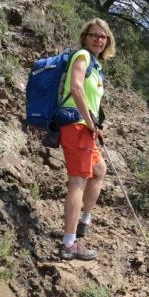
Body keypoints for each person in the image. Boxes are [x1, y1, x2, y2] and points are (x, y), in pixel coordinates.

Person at [58, 18, 116, 260]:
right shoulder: (82, 56)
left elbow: (90, 99)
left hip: (86, 128)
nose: (99, 40)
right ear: (85, 37)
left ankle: (84, 220)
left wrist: (95, 125)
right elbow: (76, 88)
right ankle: (69, 244)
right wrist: (90, 122)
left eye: (103, 36)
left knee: (99, 170)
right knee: (78, 182)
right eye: (94, 35)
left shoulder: (96, 65)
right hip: (77, 126)